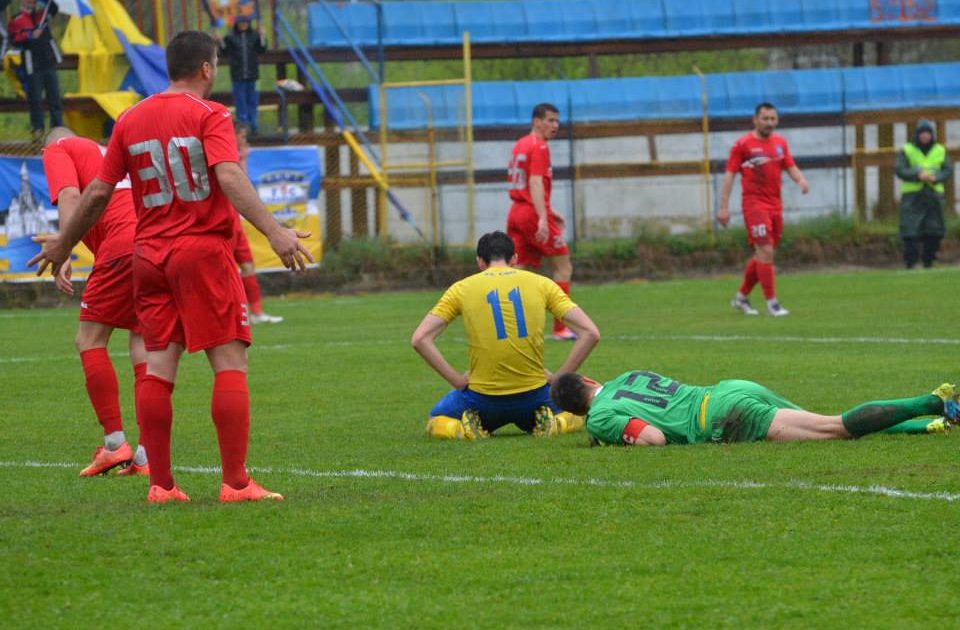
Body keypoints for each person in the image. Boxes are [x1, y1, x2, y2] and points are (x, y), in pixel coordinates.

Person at [29, 31, 313, 504]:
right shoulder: (210, 114)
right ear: (207, 67)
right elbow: (227, 173)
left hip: (149, 255)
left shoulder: (131, 119)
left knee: (159, 367)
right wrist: (275, 231)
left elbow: (98, 193)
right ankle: (237, 483)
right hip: (201, 251)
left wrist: (64, 244)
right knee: (229, 361)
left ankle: (161, 485)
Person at [411, 230, 600, 440]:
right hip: (535, 398)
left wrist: (456, 380)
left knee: (437, 418)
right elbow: (590, 333)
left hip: (481, 400)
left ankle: (462, 430)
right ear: (514, 259)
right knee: (575, 412)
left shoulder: (461, 288)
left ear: (480, 262)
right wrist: (557, 381)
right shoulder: (542, 284)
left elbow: (420, 339)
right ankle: (556, 424)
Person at [42, 127, 149, 477]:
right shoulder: (106, 150)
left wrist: (64, 246)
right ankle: (147, 455)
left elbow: (71, 196)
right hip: (152, 242)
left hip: (120, 245)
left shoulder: (58, 146)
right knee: (143, 342)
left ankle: (115, 444)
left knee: (89, 339)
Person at [551, 370, 957, 447]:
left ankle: (934, 400)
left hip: (724, 418)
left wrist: (611, 440)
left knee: (833, 428)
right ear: (588, 380)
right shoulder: (627, 375)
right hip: (730, 388)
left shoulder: (600, 418)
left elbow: (654, 438)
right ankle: (929, 427)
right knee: (828, 430)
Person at [718, 102, 809, 317]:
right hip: (754, 205)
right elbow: (730, 175)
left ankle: (741, 298)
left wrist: (801, 180)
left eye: (773, 119)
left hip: (775, 206)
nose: (769, 123)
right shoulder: (742, 145)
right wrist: (723, 208)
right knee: (766, 251)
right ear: (755, 120)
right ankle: (773, 304)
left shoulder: (780, 143)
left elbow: (789, 165)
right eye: (765, 118)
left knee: (763, 254)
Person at [507, 103, 576, 340]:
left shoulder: (520, 144)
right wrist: (543, 218)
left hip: (516, 211)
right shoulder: (539, 146)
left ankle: (514, 329)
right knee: (563, 266)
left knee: (517, 271)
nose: (555, 126)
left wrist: (548, 209)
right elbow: (535, 183)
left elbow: (526, 184)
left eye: (557, 121)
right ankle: (560, 328)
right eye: (550, 120)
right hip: (531, 214)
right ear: (537, 121)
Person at [231, 121, 282, 323]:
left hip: (234, 220)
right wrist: (242, 159)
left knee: (248, 265)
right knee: (228, 270)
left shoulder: (235, 155)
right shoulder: (224, 155)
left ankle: (256, 312)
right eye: (241, 136)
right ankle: (240, 313)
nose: (244, 140)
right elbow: (238, 183)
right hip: (223, 221)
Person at [895, 119, 954, 269]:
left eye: (928, 133)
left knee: (934, 230)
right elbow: (900, 169)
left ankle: (929, 261)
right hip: (912, 195)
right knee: (910, 230)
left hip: (933, 194)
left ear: (932, 135)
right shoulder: (907, 150)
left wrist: (936, 178)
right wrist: (917, 174)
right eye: (922, 133)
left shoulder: (940, 150)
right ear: (917, 135)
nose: (925, 136)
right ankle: (911, 262)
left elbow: (948, 170)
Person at [8, 0, 63, 140]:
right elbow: (13, 39)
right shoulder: (16, 19)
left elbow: (54, 7)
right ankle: (38, 130)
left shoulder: (42, 14)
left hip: (48, 62)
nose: (31, 2)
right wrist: (30, 36)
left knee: (55, 98)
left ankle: (57, 129)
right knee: (35, 100)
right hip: (32, 65)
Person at [215, 15, 266, 136]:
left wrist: (263, 35)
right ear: (236, 24)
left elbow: (262, 49)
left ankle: (254, 126)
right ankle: (243, 129)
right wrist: (219, 41)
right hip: (237, 76)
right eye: (240, 22)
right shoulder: (231, 37)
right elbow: (224, 51)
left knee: (253, 102)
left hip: (253, 76)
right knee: (240, 103)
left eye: (245, 22)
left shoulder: (254, 36)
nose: (243, 25)